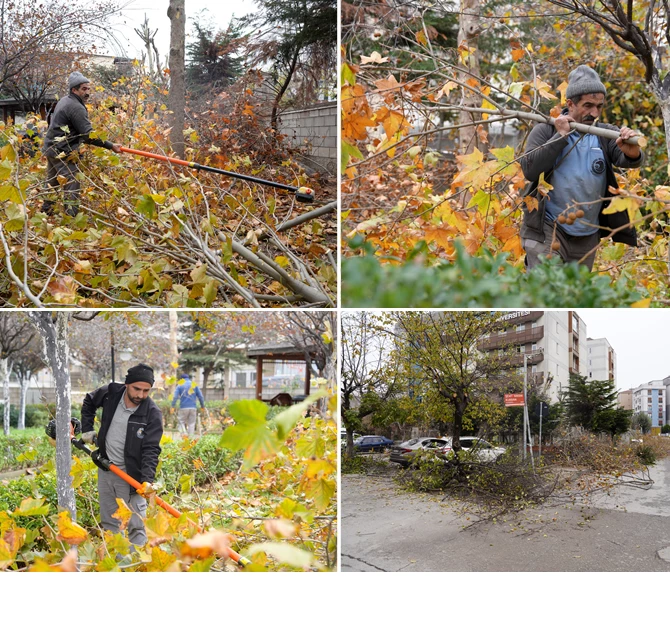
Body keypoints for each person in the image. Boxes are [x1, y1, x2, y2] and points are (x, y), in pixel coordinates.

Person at [519, 64, 644, 271]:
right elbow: (530, 169)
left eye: (599, 106)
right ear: (570, 103)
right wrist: (560, 137)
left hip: (587, 235)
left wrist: (633, 151)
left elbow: (629, 158)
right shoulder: (545, 130)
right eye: (588, 105)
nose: (594, 112)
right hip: (548, 229)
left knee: (575, 297)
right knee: (545, 292)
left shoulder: (605, 134)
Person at [80, 363, 163, 547]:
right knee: (110, 523)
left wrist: (147, 480)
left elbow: (151, 449)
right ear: (127, 384)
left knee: (135, 525)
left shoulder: (152, 413)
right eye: (136, 389)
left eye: (146, 390)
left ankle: (137, 567)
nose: (140, 395)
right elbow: (89, 401)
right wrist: (87, 429)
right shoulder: (111, 393)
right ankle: (116, 566)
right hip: (106, 468)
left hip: (130, 476)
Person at [41, 71, 122, 217]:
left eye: (88, 89)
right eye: (83, 89)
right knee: (72, 182)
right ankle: (71, 218)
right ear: (74, 90)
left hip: (51, 147)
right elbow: (88, 135)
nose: (87, 92)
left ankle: (46, 212)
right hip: (63, 151)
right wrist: (111, 145)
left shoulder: (65, 100)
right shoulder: (75, 107)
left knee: (52, 182)